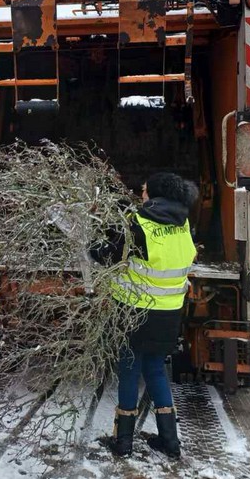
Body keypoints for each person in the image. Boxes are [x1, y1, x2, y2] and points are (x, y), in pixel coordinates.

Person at [91, 172, 198, 459]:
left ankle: (123, 441)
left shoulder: (138, 223)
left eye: (144, 190)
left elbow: (108, 256)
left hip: (134, 312)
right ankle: (170, 442)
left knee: (129, 368)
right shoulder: (183, 223)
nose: (141, 194)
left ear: (155, 194)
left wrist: (92, 245)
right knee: (155, 368)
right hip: (169, 313)